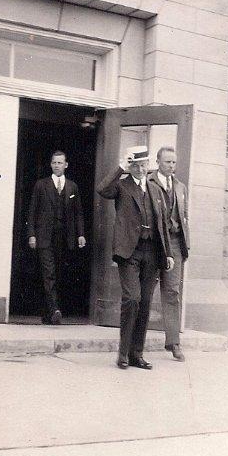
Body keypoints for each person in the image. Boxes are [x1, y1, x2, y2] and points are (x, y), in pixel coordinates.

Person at [97, 145, 174, 370]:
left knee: (145, 302)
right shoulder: (122, 186)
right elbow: (102, 189)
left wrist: (168, 253)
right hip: (129, 252)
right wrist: (121, 167)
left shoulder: (155, 189)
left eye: (143, 165)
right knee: (132, 299)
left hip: (152, 252)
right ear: (130, 167)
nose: (140, 170)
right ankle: (123, 354)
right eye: (136, 166)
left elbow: (162, 224)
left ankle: (136, 354)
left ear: (148, 165)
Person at [27, 150, 85, 325]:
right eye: (54, 163)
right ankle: (55, 309)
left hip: (64, 237)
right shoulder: (41, 185)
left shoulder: (72, 187)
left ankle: (48, 313)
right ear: (50, 164)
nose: (57, 165)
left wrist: (81, 234)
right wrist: (32, 235)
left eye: (60, 163)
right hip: (44, 236)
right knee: (49, 272)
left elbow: (78, 213)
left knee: (58, 273)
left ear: (66, 165)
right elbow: (32, 211)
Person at [147, 146, 189, 362]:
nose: (171, 166)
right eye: (167, 162)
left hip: (175, 243)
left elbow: (184, 216)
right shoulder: (148, 182)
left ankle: (174, 342)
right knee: (145, 291)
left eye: (174, 162)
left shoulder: (180, 187)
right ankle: (135, 343)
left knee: (172, 293)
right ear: (158, 162)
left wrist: (184, 244)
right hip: (154, 244)